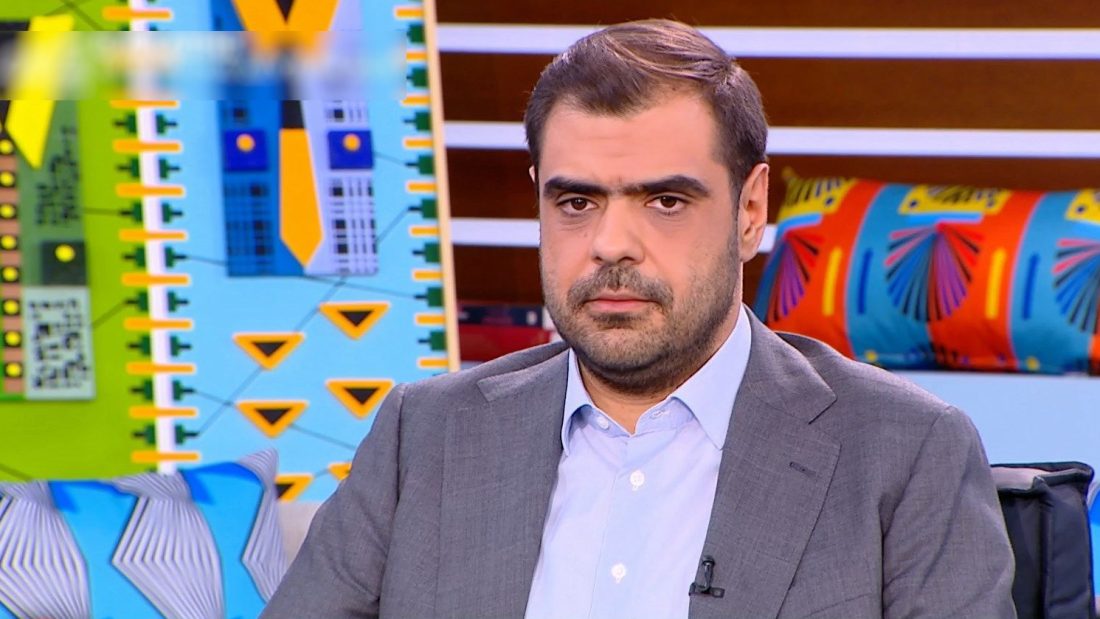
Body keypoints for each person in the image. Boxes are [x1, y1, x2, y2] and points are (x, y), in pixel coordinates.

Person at [262, 19, 1016, 619]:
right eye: (576, 201)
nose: (611, 244)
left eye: (665, 201)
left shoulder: (903, 451)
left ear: (750, 211)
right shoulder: (424, 435)